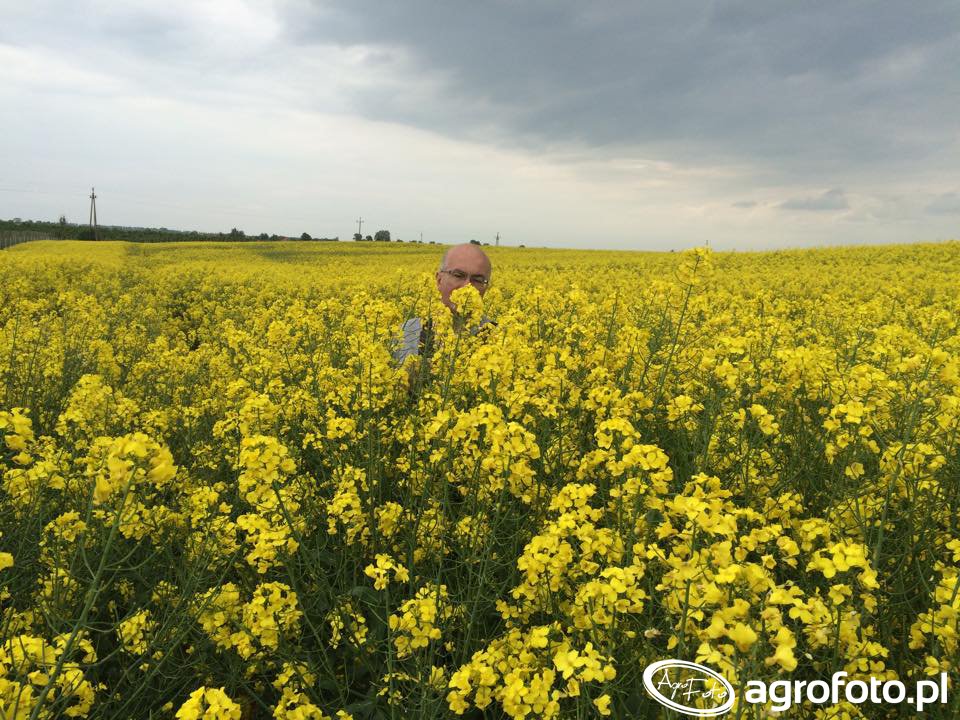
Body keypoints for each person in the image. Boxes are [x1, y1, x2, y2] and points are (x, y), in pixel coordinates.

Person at [393, 243, 494, 367]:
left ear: (486, 288)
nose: (467, 287)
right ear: (439, 280)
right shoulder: (406, 331)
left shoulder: (498, 337)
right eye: (458, 275)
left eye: (477, 280)